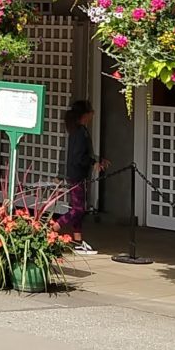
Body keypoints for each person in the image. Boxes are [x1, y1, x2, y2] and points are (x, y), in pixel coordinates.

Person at [60, 99, 106, 255]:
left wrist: (96, 160)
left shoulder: (77, 130)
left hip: (76, 174)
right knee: (78, 209)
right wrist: (93, 163)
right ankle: (52, 229)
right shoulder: (80, 132)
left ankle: (78, 242)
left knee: (78, 209)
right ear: (85, 114)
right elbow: (79, 157)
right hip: (77, 175)